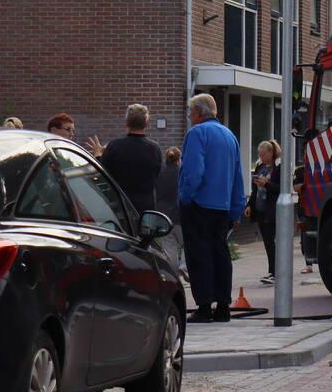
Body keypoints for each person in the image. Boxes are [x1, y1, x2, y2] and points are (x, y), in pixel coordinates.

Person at [179, 94, 246, 323]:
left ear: (198, 112)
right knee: (220, 254)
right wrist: (236, 208)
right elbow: (237, 175)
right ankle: (223, 305)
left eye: (190, 112)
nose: (189, 116)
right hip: (222, 206)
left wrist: (186, 197)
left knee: (199, 255)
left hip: (199, 204)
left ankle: (204, 306)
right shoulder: (229, 136)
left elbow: (193, 171)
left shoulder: (197, 133)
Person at [93, 104, 163, 215]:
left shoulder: (115, 146)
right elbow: (156, 174)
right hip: (146, 208)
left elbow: (103, 173)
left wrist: (98, 155)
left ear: (126, 122)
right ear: (146, 123)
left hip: (121, 207)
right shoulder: (155, 148)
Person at [244, 140, 281, 285]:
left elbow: (281, 188)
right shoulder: (260, 167)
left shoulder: (278, 167)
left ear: (271, 153)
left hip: (272, 209)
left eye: (263, 154)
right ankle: (272, 271)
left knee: (271, 241)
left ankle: (274, 272)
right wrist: (249, 205)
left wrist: (267, 184)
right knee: (266, 241)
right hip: (260, 209)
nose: (261, 157)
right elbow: (255, 190)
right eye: (259, 155)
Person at [156, 146, 186, 278]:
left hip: (163, 217)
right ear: (179, 160)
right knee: (188, 242)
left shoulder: (159, 174)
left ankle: (172, 274)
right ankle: (184, 267)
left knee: (169, 247)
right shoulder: (182, 173)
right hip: (180, 215)